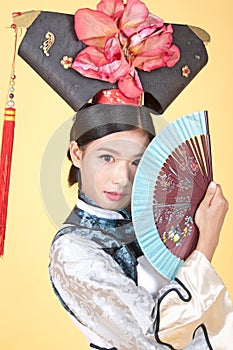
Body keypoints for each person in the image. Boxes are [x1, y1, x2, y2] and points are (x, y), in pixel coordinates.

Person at [14, 1, 233, 348]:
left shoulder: (153, 223)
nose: (122, 178)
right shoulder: (74, 250)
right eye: (107, 157)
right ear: (76, 152)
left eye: (137, 161)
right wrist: (206, 244)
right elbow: (158, 336)